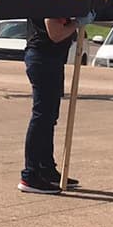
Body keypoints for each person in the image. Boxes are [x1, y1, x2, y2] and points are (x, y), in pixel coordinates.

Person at [18, 12, 93, 194]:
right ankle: (30, 175)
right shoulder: (50, 0)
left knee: (50, 116)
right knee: (42, 116)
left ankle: (46, 169)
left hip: (51, 60)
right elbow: (56, 34)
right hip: (43, 59)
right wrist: (76, 23)